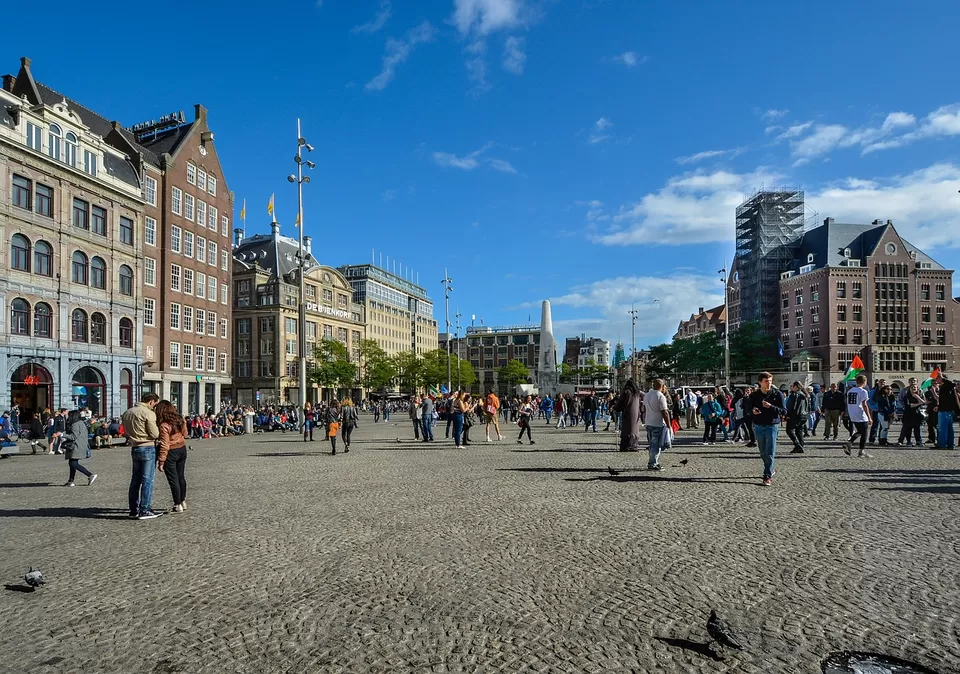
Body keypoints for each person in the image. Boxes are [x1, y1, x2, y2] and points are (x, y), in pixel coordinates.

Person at [122, 393, 162, 520]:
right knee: (147, 480)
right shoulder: (148, 413)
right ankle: (145, 509)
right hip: (147, 446)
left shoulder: (127, 412)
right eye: (155, 404)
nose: (155, 406)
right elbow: (154, 433)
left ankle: (134, 508)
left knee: (135, 480)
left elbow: (126, 432)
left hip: (135, 447)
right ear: (151, 401)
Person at [748, 372, 786, 487]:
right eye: (766, 381)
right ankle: (771, 468)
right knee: (763, 452)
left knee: (770, 451)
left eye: (770, 381)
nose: (769, 383)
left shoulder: (777, 394)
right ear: (760, 382)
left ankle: (767, 475)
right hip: (759, 425)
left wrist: (771, 407)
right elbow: (748, 409)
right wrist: (753, 411)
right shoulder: (754, 396)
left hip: (772, 425)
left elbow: (784, 411)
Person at [156, 400, 188, 513]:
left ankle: (177, 503)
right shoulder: (180, 419)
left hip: (171, 451)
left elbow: (165, 444)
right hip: (182, 449)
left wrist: (161, 461)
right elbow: (185, 434)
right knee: (181, 477)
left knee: (173, 479)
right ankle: (183, 501)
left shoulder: (164, 425)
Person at [61, 410, 96, 487]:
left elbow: (73, 437)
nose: (68, 417)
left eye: (69, 416)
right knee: (72, 463)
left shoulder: (75, 424)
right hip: (81, 445)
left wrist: (62, 435)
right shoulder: (81, 423)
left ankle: (90, 475)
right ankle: (71, 480)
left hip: (76, 446)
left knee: (73, 463)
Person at [642, 379, 671, 470]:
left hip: (648, 422)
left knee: (651, 443)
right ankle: (653, 463)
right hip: (657, 423)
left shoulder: (647, 395)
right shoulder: (660, 396)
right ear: (662, 386)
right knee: (656, 445)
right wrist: (669, 425)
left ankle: (652, 461)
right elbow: (664, 412)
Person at [843, 374, 873, 459]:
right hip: (860, 414)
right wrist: (869, 417)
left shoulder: (850, 391)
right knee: (864, 433)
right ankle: (861, 451)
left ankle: (849, 443)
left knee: (860, 431)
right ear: (865, 382)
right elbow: (864, 405)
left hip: (852, 413)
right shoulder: (863, 391)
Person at [614, 380, 642, 453]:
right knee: (634, 429)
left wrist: (616, 408)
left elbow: (621, 401)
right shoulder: (637, 393)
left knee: (627, 429)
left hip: (627, 412)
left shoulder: (626, 391)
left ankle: (627, 445)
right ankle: (634, 445)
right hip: (636, 414)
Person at [785, 381, 809, 454]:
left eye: (792, 386)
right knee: (799, 431)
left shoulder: (795, 394)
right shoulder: (805, 395)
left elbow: (793, 406)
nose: (791, 387)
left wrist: (788, 415)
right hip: (804, 415)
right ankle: (800, 446)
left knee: (789, 430)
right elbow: (808, 406)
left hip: (795, 415)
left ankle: (797, 445)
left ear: (796, 386)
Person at [937, 373, 959, 449]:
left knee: (943, 428)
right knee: (949, 428)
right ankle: (950, 444)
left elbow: (952, 384)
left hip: (945, 410)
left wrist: (942, 378)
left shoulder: (947, 386)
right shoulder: (944, 387)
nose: (936, 380)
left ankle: (942, 444)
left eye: (937, 378)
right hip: (946, 409)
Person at [900, 383, 925, 448]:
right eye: (912, 387)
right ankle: (908, 441)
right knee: (908, 429)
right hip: (908, 414)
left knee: (918, 429)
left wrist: (917, 397)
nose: (914, 388)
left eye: (915, 387)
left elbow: (923, 402)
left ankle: (919, 441)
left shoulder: (919, 395)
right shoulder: (906, 396)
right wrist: (918, 403)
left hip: (917, 415)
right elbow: (910, 405)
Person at [923, 380, 939, 447]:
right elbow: (926, 401)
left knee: (937, 426)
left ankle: (939, 439)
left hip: (938, 411)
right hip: (930, 410)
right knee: (930, 425)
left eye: (935, 383)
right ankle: (931, 438)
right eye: (932, 384)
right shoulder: (927, 393)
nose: (934, 385)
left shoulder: (940, 391)